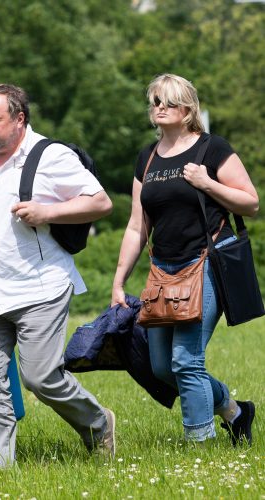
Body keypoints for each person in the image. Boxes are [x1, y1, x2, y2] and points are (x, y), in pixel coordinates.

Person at [0, 83, 115, 467]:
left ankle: (99, 424)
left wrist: (48, 212)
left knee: (41, 378)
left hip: (41, 287)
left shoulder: (51, 156)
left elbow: (101, 202)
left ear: (19, 119)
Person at [111, 74, 258, 445]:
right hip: (163, 270)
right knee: (162, 367)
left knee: (186, 360)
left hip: (206, 262)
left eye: (168, 101)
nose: (159, 107)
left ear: (187, 107)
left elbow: (251, 203)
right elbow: (135, 226)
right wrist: (118, 281)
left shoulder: (212, 149)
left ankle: (200, 445)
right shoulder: (147, 158)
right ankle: (235, 412)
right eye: (155, 101)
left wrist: (207, 183)